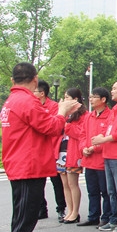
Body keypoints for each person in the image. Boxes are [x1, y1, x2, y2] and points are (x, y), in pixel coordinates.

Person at [1, 62, 78, 232]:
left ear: (12, 80)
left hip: (23, 164)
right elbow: (51, 128)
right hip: (27, 166)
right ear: (35, 79)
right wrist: (62, 112)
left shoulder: (13, 100)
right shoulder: (25, 101)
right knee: (24, 219)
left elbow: (41, 122)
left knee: (23, 216)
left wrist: (62, 113)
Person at [90, 81, 117, 232]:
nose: (112, 91)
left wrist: (104, 139)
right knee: (111, 191)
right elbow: (109, 129)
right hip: (108, 153)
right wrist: (100, 138)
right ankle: (114, 219)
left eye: (115, 88)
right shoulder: (114, 109)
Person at [33, 80, 67, 221]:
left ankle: (61, 209)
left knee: (56, 181)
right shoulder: (33, 106)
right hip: (37, 150)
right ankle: (41, 209)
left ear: (42, 93)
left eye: (34, 91)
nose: (32, 94)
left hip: (53, 149)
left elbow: (55, 127)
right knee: (38, 182)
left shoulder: (54, 106)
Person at [79, 87, 112, 229]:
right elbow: (82, 135)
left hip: (102, 160)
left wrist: (94, 148)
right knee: (92, 191)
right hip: (89, 159)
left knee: (105, 191)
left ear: (103, 99)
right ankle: (93, 216)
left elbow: (109, 138)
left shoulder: (110, 116)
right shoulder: (89, 116)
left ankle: (106, 217)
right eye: (90, 97)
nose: (90, 99)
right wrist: (83, 148)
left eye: (94, 97)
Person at [60, 88, 87, 224]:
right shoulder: (67, 114)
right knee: (65, 183)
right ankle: (69, 210)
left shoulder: (83, 115)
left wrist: (67, 126)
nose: (65, 100)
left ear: (75, 99)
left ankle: (75, 212)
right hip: (63, 151)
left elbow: (81, 133)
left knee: (72, 183)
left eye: (67, 97)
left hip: (74, 152)